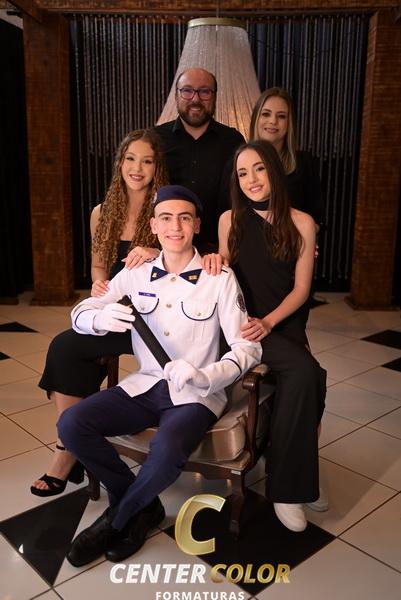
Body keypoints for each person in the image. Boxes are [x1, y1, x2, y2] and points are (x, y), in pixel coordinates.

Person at [57, 185, 261, 566]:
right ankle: (144, 506)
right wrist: (100, 318)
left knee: (166, 450)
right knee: (71, 423)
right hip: (146, 384)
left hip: (196, 395)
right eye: (166, 218)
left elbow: (248, 349)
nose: (175, 227)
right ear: (153, 225)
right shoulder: (135, 273)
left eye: (184, 218)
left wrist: (205, 375)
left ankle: (117, 519)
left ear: (197, 225)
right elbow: (80, 313)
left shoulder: (219, 277)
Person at [31, 129, 168, 497]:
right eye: (131, 159)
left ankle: (70, 448)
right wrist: (99, 285)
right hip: (117, 311)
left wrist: (155, 252)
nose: (137, 168)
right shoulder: (102, 212)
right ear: (119, 162)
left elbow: (182, 258)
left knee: (75, 349)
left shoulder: (165, 206)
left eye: (147, 161)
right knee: (65, 347)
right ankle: (69, 446)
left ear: (157, 167)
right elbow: (98, 266)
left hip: (157, 316)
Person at [211, 140, 326, 532]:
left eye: (259, 168)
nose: (252, 180)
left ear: (274, 170)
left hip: (281, 322)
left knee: (313, 378)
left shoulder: (302, 222)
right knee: (306, 373)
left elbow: (301, 290)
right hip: (244, 325)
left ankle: (298, 473)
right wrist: (214, 259)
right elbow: (224, 276)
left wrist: (270, 322)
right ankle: (290, 488)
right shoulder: (230, 220)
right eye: (243, 173)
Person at [153, 67, 245, 253]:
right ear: (176, 96)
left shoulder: (233, 141)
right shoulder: (154, 139)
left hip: (221, 249)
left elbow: (244, 197)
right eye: (187, 91)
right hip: (166, 247)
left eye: (204, 91)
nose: (195, 99)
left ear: (214, 96)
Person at [249, 87, 324, 231]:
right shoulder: (238, 163)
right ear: (256, 119)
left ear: (289, 123)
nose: (273, 121)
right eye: (266, 114)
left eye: (282, 116)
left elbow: (317, 217)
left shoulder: (305, 162)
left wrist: (303, 236)